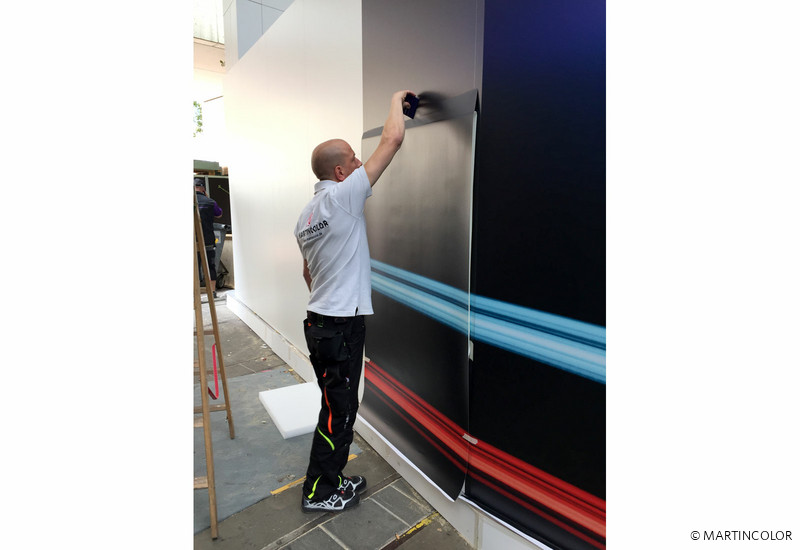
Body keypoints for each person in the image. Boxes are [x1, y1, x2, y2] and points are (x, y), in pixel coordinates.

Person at [295, 90, 416, 513]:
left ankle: (332, 479)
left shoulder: (307, 214)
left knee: (338, 406)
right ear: (341, 171)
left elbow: (308, 274)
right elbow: (392, 140)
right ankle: (318, 492)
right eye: (354, 158)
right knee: (339, 411)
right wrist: (396, 100)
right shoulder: (342, 197)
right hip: (340, 325)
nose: (361, 163)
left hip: (321, 322)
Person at [195, 177, 223, 297]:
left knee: (194, 266)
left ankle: (195, 292)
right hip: (207, 240)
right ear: (203, 189)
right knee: (210, 265)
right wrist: (208, 198)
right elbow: (219, 214)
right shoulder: (210, 202)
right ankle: (212, 292)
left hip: (193, 240)